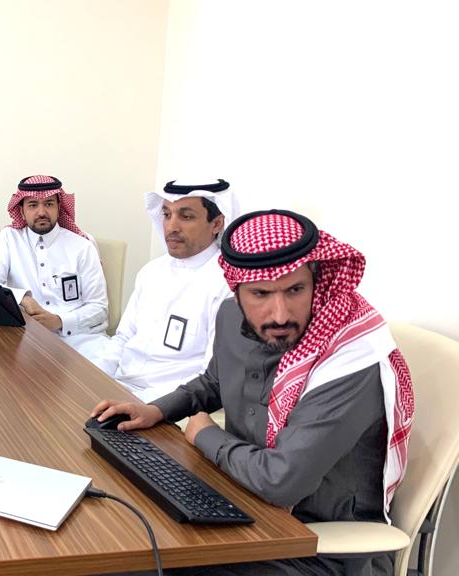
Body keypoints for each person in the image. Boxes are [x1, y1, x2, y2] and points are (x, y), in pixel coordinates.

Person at [90, 209, 415, 575]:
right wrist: (157, 410)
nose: (280, 314)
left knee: (129, 564)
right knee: (115, 532)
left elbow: (281, 481)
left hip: (315, 547)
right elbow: (216, 381)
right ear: (237, 289)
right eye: (260, 293)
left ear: (315, 279)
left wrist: (206, 435)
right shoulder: (232, 316)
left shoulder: (350, 360)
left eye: (295, 290)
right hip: (240, 499)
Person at [78, 179, 239, 401]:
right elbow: (123, 338)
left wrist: (142, 405)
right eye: (166, 215)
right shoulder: (151, 271)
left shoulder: (228, 284)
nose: (171, 227)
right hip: (119, 386)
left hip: (168, 403)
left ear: (217, 223)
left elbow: (211, 376)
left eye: (186, 216)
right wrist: (91, 378)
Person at [0, 175, 107, 348]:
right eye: (33, 205)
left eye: (49, 204)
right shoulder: (9, 238)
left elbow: (99, 308)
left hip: (81, 339)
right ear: (21, 210)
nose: (41, 212)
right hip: (27, 338)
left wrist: (59, 321)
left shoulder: (83, 246)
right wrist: (24, 298)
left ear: (59, 207)